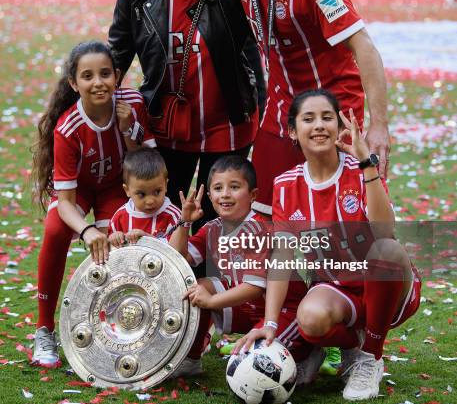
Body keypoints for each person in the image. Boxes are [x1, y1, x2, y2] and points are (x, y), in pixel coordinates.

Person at [234, 89, 420, 400]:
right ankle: (352, 343)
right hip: (337, 289)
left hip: (386, 285)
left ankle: (370, 357)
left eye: (326, 118)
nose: (319, 125)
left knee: (387, 250)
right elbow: (281, 257)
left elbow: (385, 231)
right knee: (310, 318)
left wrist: (368, 164)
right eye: (308, 119)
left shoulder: (360, 170)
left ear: (339, 127)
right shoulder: (285, 184)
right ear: (293, 131)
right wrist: (269, 322)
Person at [220, 0, 390, 215]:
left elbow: (364, 47)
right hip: (283, 106)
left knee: (354, 218)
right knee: (264, 210)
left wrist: (379, 125)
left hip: (333, 106)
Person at [108, 0, 265, 231]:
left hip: (228, 125)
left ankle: (216, 283)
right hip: (168, 125)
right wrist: (97, 105)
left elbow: (252, 50)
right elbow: (119, 51)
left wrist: (261, 105)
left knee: (219, 219)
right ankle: (167, 283)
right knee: (164, 215)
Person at [31, 41, 156, 367]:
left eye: (104, 73)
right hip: (82, 191)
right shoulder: (68, 127)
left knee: (115, 248)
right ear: (74, 83)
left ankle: (118, 331)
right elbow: (67, 202)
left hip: (117, 188)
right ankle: (44, 329)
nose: (98, 82)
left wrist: (129, 128)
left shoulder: (132, 103)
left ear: (117, 75)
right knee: (57, 227)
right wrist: (86, 231)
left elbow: (147, 164)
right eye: (87, 76)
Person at [168, 155, 310, 378]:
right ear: (209, 196)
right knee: (197, 287)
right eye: (218, 188)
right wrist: (185, 222)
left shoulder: (260, 229)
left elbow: (254, 288)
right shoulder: (212, 228)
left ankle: (306, 352)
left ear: (253, 195)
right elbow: (178, 258)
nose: (225, 194)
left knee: (259, 364)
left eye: (234, 187)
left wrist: (212, 301)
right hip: (247, 308)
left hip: (285, 311)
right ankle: (191, 358)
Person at [108, 146, 181, 246]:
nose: (150, 201)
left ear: (166, 185)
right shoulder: (120, 217)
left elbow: (176, 251)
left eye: (157, 192)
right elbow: (112, 251)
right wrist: (114, 238)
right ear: (127, 190)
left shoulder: (174, 216)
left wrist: (147, 238)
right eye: (142, 194)